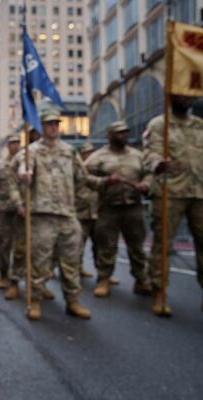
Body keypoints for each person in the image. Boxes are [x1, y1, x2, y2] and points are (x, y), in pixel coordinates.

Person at [15, 109, 107, 321]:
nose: (53, 127)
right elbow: (24, 167)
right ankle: (35, 300)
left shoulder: (69, 151)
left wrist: (103, 183)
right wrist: (25, 175)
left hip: (67, 213)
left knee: (71, 261)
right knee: (40, 261)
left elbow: (82, 177)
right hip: (43, 215)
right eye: (49, 124)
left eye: (56, 123)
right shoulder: (32, 151)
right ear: (42, 127)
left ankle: (72, 300)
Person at [143, 95, 203, 317]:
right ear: (170, 97)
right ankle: (159, 292)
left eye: (189, 95)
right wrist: (157, 163)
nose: (185, 99)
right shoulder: (159, 125)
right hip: (171, 191)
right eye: (180, 95)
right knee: (163, 244)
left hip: (199, 191)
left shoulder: (199, 125)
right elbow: (150, 153)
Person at [85, 120, 153, 298]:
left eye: (125, 132)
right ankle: (104, 279)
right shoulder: (98, 157)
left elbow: (149, 173)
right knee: (106, 245)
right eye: (119, 133)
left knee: (137, 245)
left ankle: (141, 279)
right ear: (110, 136)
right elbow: (83, 176)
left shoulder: (137, 155)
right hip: (109, 207)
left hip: (133, 206)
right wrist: (104, 181)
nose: (123, 135)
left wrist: (146, 184)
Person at [0, 134, 22, 291]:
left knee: (21, 245)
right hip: (3, 210)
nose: (15, 146)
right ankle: (4, 274)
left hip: (21, 211)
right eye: (12, 143)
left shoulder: (26, 162)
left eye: (17, 143)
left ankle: (17, 277)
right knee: (5, 244)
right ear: (8, 146)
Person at [75, 141, 97, 280]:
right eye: (86, 153)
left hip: (96, 211)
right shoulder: (76, 169)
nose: (89, 155)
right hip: (80, 212)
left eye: (91, 152)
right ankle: (77, 268)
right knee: (77, 244)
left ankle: (103, 273)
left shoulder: (97, 168)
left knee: (100, 244)